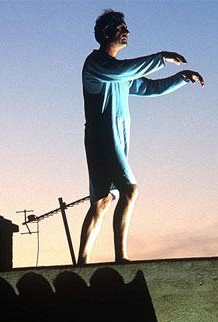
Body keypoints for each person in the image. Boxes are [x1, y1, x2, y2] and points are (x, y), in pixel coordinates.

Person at [77, 9, 204, 264]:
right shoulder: (96, 64)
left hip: (112, 139)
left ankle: (82, 262)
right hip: (104, 140)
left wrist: (181, 77)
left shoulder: (119, 73)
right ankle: (120, 257)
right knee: (129, 189)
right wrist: (161, 57)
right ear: (105, 33)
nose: (127, 31)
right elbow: (122, 70)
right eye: (120, 27)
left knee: (101, 201)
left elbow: (147, 86)